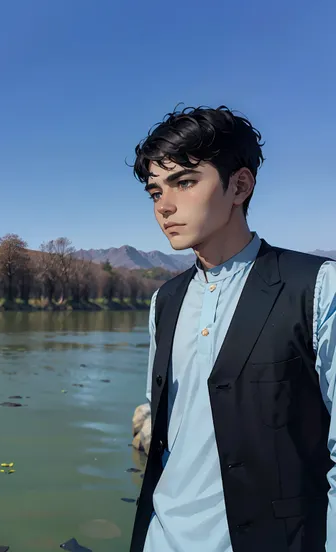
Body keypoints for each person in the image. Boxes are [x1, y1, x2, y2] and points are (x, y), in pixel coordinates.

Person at [128, 105, 336, 552]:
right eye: (154, 192)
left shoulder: (317, 287)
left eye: (184, 182)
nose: (164, 206)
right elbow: (165, 431)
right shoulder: (164, 301)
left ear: (239, 185)